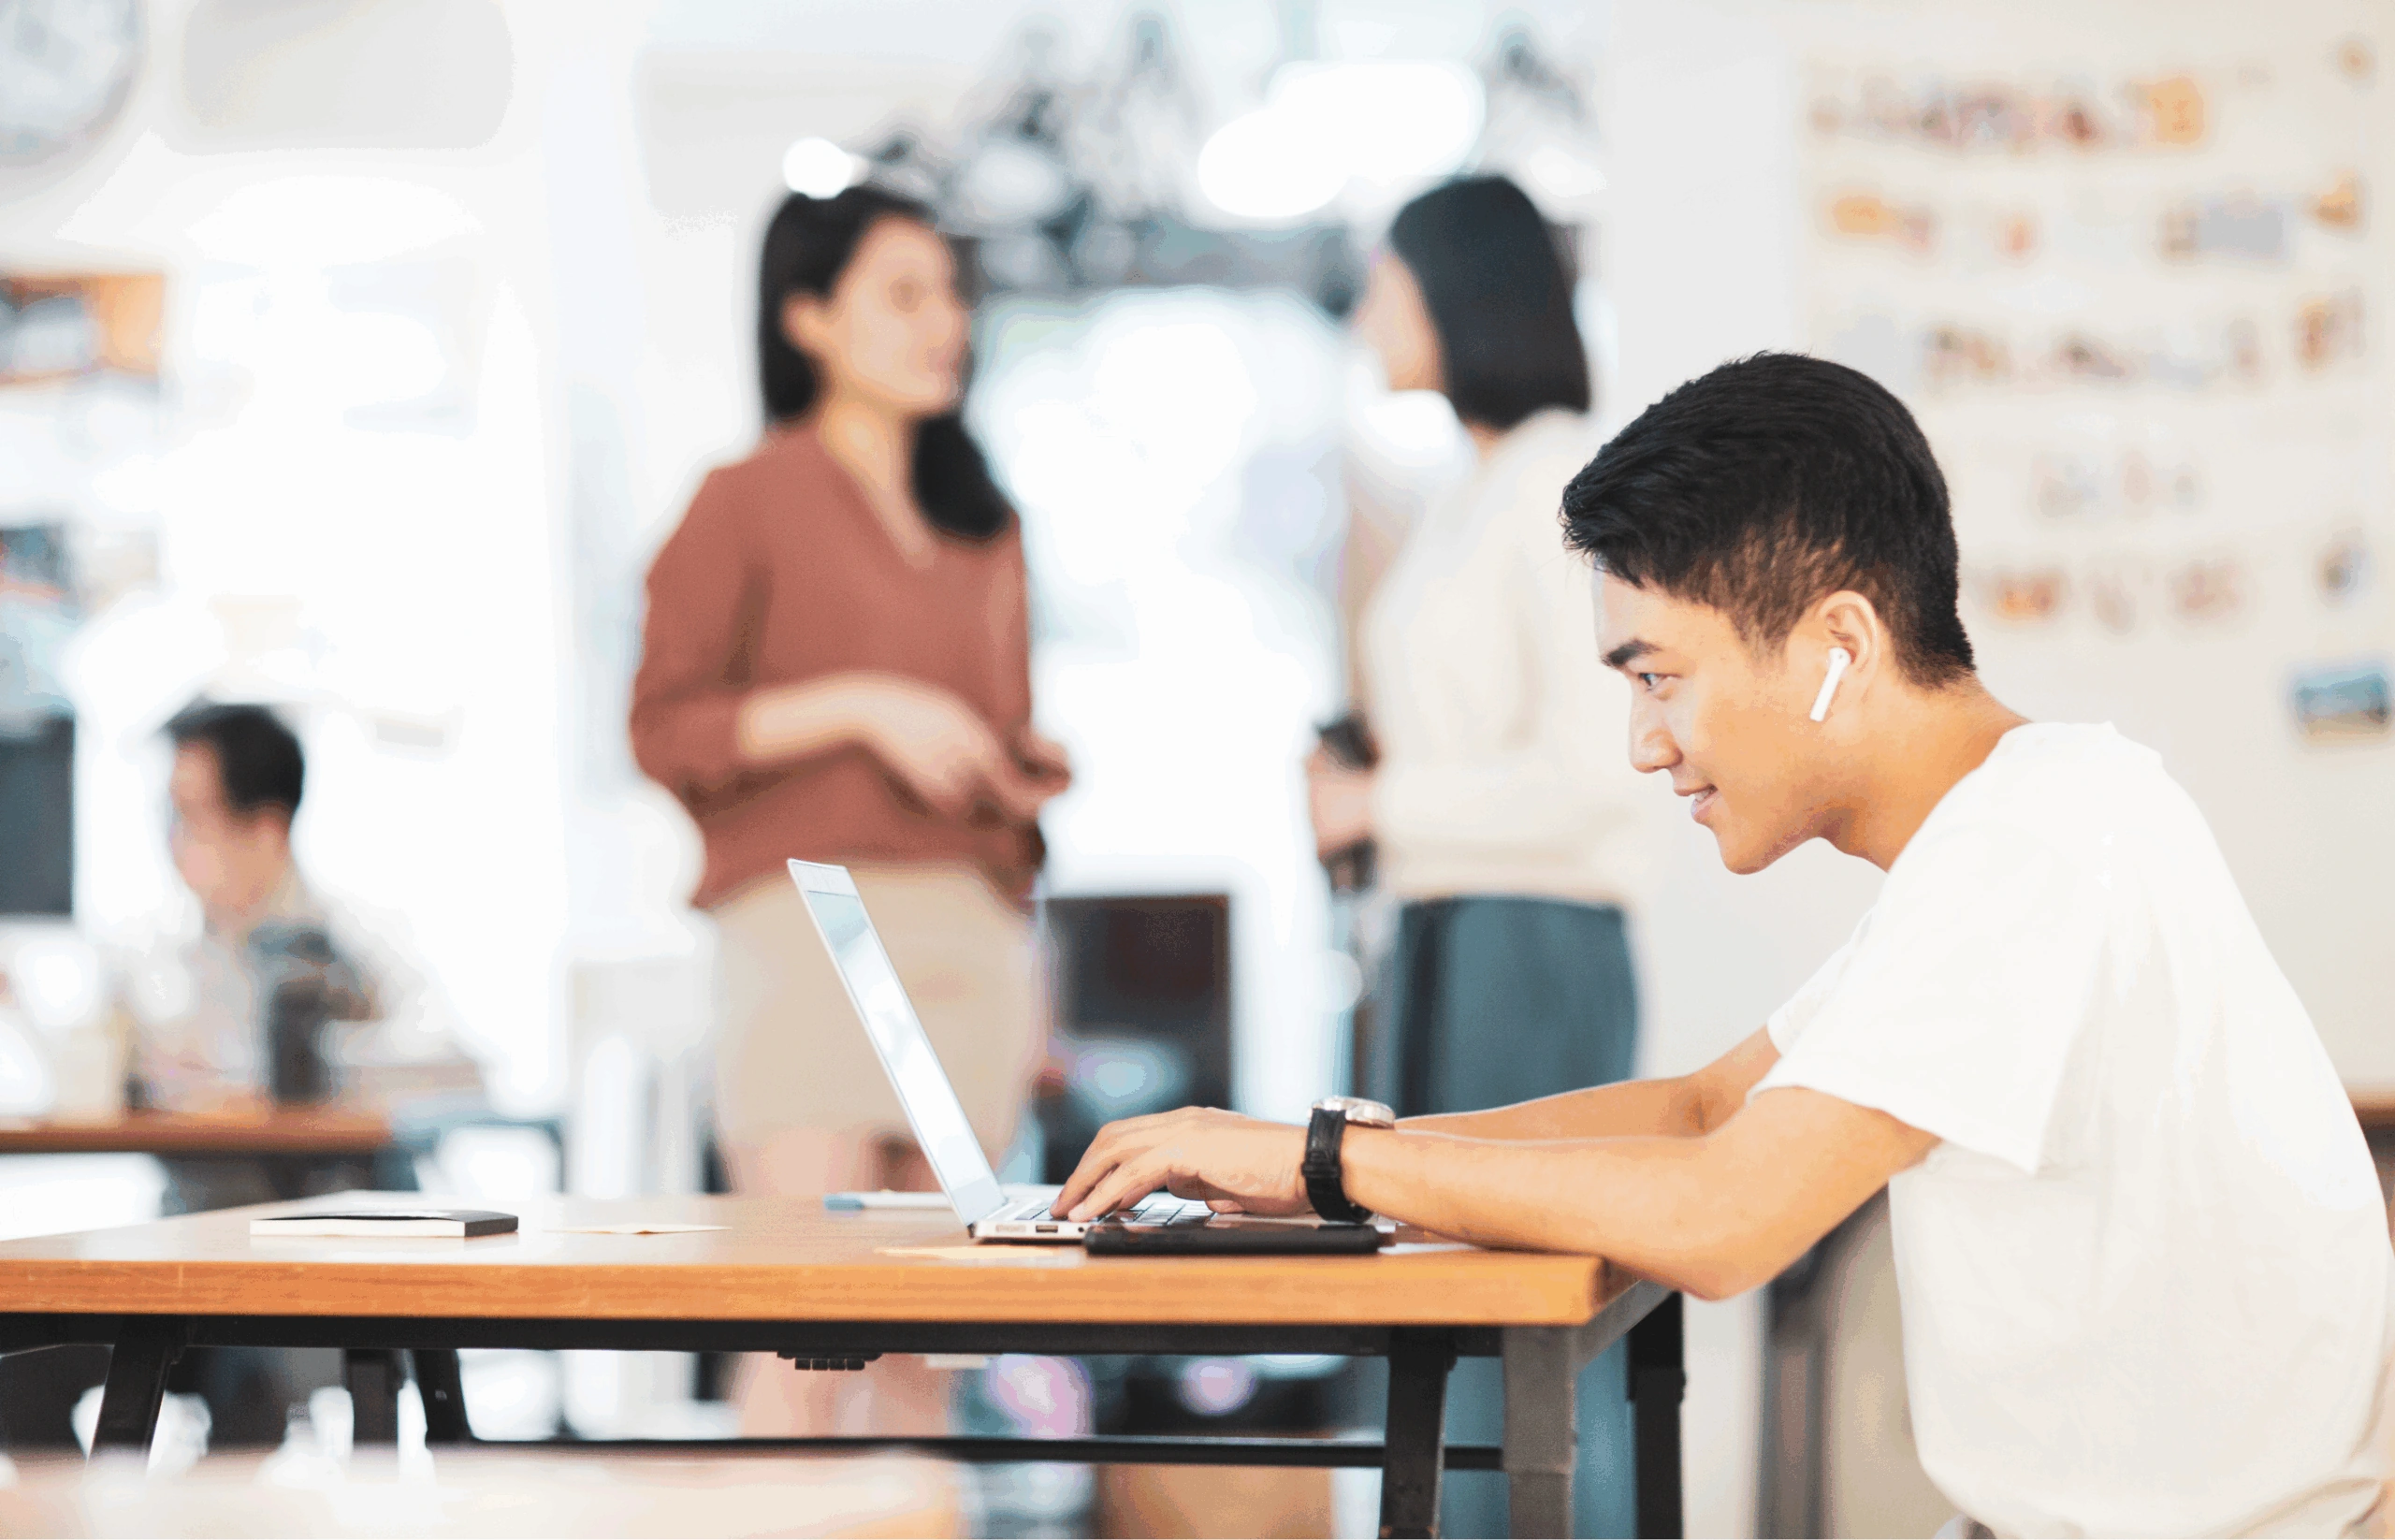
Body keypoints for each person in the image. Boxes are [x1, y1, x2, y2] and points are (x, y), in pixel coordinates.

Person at [1056, 354, 2392, 1537]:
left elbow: (1725, 1214)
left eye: (1660, 676)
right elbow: (1705, 1113)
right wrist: (1320, 1159)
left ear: (1838, 646)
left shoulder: (2030, 852)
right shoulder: (2026, 821)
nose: (1645, 742)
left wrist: (1333, 1162)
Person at [631, 183, 1068, 1434]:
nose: (946, 322)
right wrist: (864, 705)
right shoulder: (742, 499)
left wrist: (1008, 770)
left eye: (952, 293)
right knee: (805, 1322)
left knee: (930, 1337)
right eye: (905, 292)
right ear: (808, 317)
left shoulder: (987, 527)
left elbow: (1006, 765)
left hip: (968, 938)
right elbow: (666, 727)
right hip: (811, 920)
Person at [1318, 173, 1652, 1536]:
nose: (1365, 316)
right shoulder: (1471, 486)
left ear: (1461, 293)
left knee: (1530, 1336)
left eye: (1386, 286)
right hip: (1454, 936)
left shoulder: (1561, 482)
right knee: (1451, 1322)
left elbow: (1594, 776)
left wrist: (1375, 807)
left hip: (1532, 943)